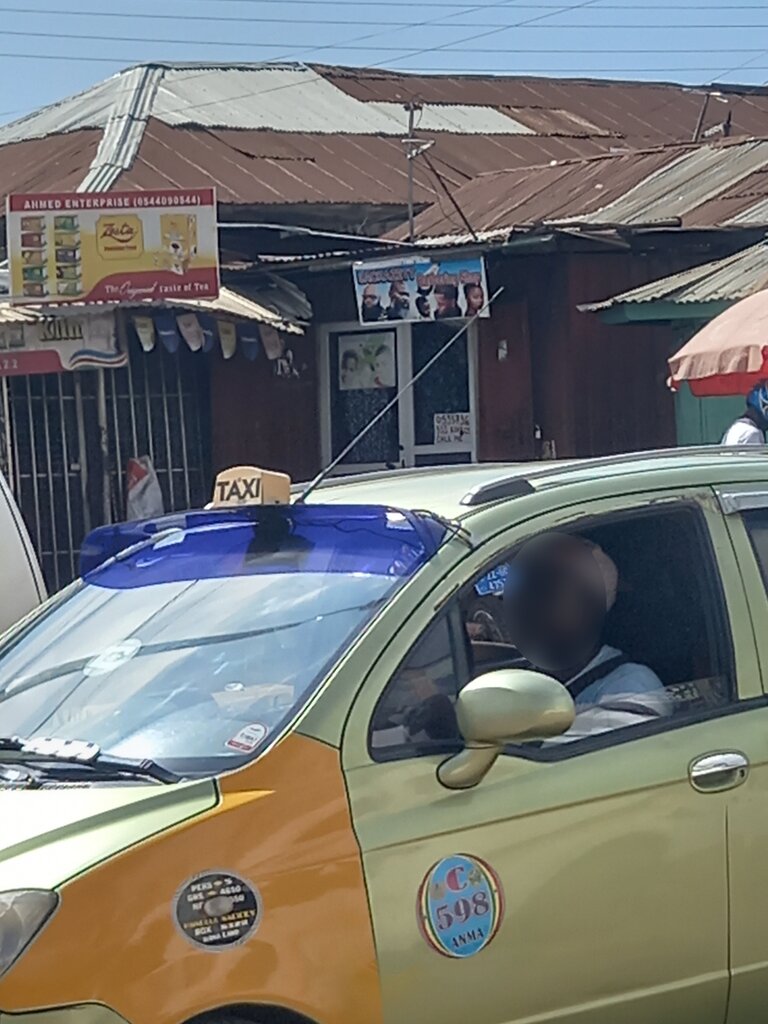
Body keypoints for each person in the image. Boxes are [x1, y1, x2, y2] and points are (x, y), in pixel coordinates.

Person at [503, 532, 671, 740]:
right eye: (527, 589)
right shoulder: (533, 673)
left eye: (547, 592)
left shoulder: (632, 686)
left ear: (589, 609)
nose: (529, 605)